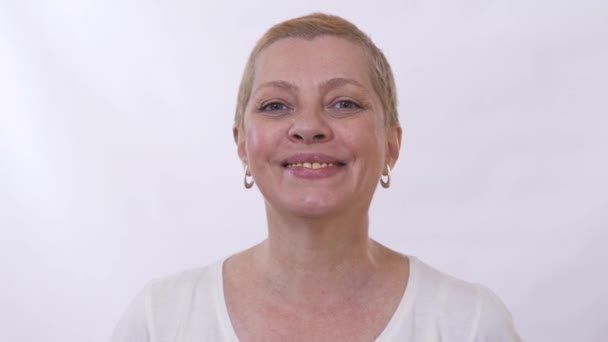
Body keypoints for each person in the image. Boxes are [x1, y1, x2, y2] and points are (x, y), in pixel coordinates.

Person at [110, 13, 521, 342]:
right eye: (275, 106)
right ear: (242, 145)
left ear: (391, 145)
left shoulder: (469, 324)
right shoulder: (160, 319)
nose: (309, 126)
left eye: (343, 103)